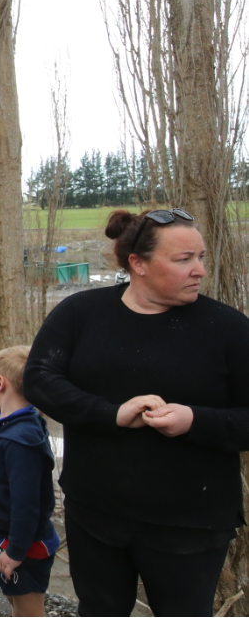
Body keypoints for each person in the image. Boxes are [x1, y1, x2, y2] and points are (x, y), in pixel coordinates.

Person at [24, 208, 249, 616]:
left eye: (201, 257)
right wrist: (109, 414)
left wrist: (194, 421)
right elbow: (41, 378)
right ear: (138, 264)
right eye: (184, 260)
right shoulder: (81, 314)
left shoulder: (228, 329)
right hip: (95, 512)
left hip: (190, 523)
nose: (199, 270)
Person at [0, 345, 60, 618]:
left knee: (28, 609)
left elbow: (26, 505)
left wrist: (15, 553)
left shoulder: (21, 441)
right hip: (6, 540)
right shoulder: (6, 426)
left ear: (0, 383)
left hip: (25, 548)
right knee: (15, 603)